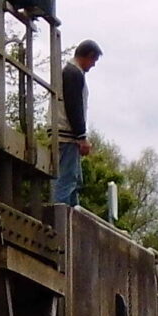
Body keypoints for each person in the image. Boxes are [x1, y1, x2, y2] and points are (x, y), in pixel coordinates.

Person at [53, 40, 100, 209]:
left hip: (61, 131)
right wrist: (81, 137)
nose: (93, 65)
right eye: (93, 61)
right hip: (67, 133)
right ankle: (60, 218)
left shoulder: (68, 72)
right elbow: (74, 106)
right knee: (66, 179)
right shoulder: (74, 74)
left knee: (74, 179)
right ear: (89, 56)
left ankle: (71, 215)